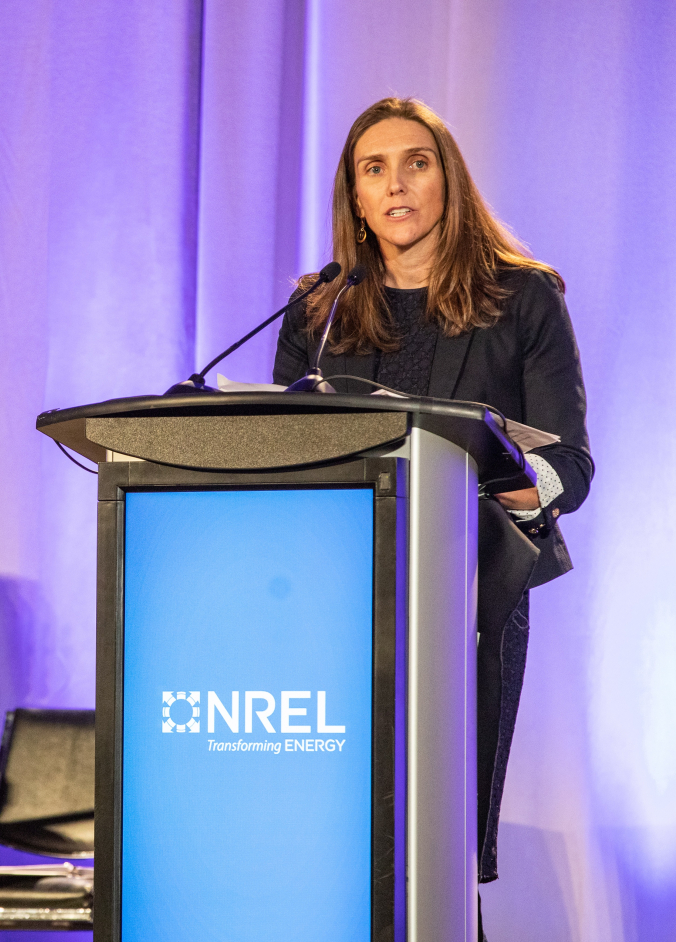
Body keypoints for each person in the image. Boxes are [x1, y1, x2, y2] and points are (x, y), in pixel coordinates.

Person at [273, 98, 592, 938]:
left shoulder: (521, 299)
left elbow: (571, 467)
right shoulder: (321, 310)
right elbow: (275, 455)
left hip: (468, 598)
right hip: (331, 608)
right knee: (331, 841)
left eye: (416, 162)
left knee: (435, 847)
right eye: (373, 169)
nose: (396, 184)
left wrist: (505, 482)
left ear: (448, 179)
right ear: (354, 195)